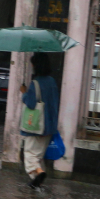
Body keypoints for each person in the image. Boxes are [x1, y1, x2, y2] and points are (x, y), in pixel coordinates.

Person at [20, 52, 60, 189]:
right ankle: (38, 183)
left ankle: (39, 173)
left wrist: (24, 93)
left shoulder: (35, 83)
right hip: (50, 126)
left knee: (30, 155)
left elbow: (30, 103)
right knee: (38, 156)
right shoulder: (52, 82)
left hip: (36, 126)